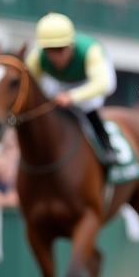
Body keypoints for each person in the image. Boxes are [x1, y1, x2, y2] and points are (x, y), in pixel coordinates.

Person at [25, 12, 119, 164]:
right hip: (59, 81)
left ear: (71, 45)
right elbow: (27, 84)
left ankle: (107, 146)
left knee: (88, 106)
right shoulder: (36, 56)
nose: (56, 56)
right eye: (50, 50)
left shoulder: (90, 51)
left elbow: (104, 84)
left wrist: (72, 97)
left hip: (88, 81)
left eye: (61, 49)